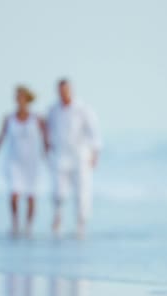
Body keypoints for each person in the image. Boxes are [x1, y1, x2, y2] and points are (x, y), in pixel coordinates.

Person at [0, 85, 48, 238]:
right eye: (16, 97)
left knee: (31, 196)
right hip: (14, 161)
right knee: (14, 194)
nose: (18, 100)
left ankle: (28, 227)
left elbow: (46, 139)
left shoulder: (38, 119)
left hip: (32, 162)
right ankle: (15, 224)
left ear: (27, 99)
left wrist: (48, 156)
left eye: (21, 97)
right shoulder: (9, 118)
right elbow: (1, 138)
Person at [45, 79, 101, 239]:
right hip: (60, 156)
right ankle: (57, 218)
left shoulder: (82, 109)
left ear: (71, 90)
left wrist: (95, 154)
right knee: (58, 191)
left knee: (82, 192)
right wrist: (47, 147)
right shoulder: (53, 110)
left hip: (80, 156)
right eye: (60, 91)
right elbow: (47, 130)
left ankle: (81, 224)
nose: (63, 94)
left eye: (66, 90)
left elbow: (94, 132)